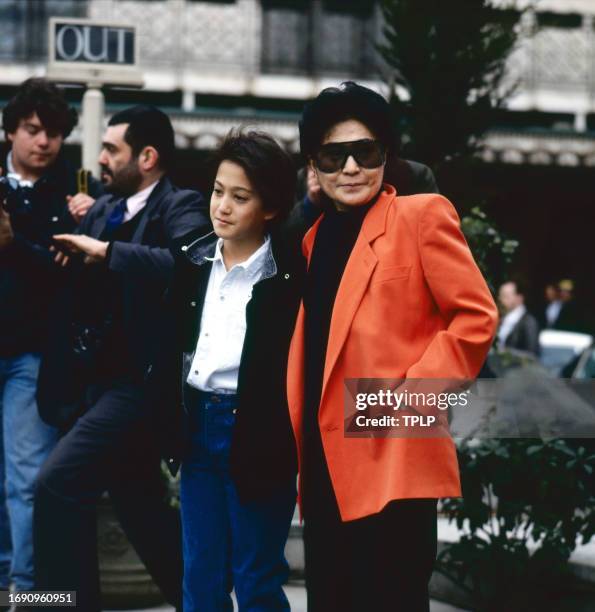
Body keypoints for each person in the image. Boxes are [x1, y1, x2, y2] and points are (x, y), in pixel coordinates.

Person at [287, 81, 498, 612]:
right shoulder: (311, 240)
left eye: (367, 151)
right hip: (324, 467)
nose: (352, 167)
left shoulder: (421, 214)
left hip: (393, 456)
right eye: (335, 156)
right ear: (314, 165)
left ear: (387, 156)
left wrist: (405, 404)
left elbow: (475, 317)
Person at [33, 105, 208, 611]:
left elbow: (186, 266)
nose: (102, 158)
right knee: (144, 515)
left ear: (148, 157)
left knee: (56, 486)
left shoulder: (182, 204)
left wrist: (105, 252)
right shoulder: (104, 208)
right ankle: (207, 606)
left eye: (112, 149)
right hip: (93, 386)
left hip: (140, 387)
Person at [147, 130, 302, 612]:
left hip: (259, 431)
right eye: (218, 191)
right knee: (200, 575)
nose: (223, 207)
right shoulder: (192, 259)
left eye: (240, 197)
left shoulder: (288, 276)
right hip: (198, 429)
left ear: (270, 208)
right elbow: (171, 342)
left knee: (256, 577)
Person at [0, 77, 101, 596]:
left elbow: (65, 274)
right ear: (11, 130)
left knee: (27, 478)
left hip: (34, 355)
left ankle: (28, 591)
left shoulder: (76, 195)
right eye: (33, 130)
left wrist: (15, 244)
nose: (43, 142)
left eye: (54, 133)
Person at [497, 280, 540, 356]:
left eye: (505, 296)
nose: (500, 300)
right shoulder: (502, 318)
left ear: (519, 298)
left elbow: (531, 353)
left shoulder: (529, 322)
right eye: (500, 296)